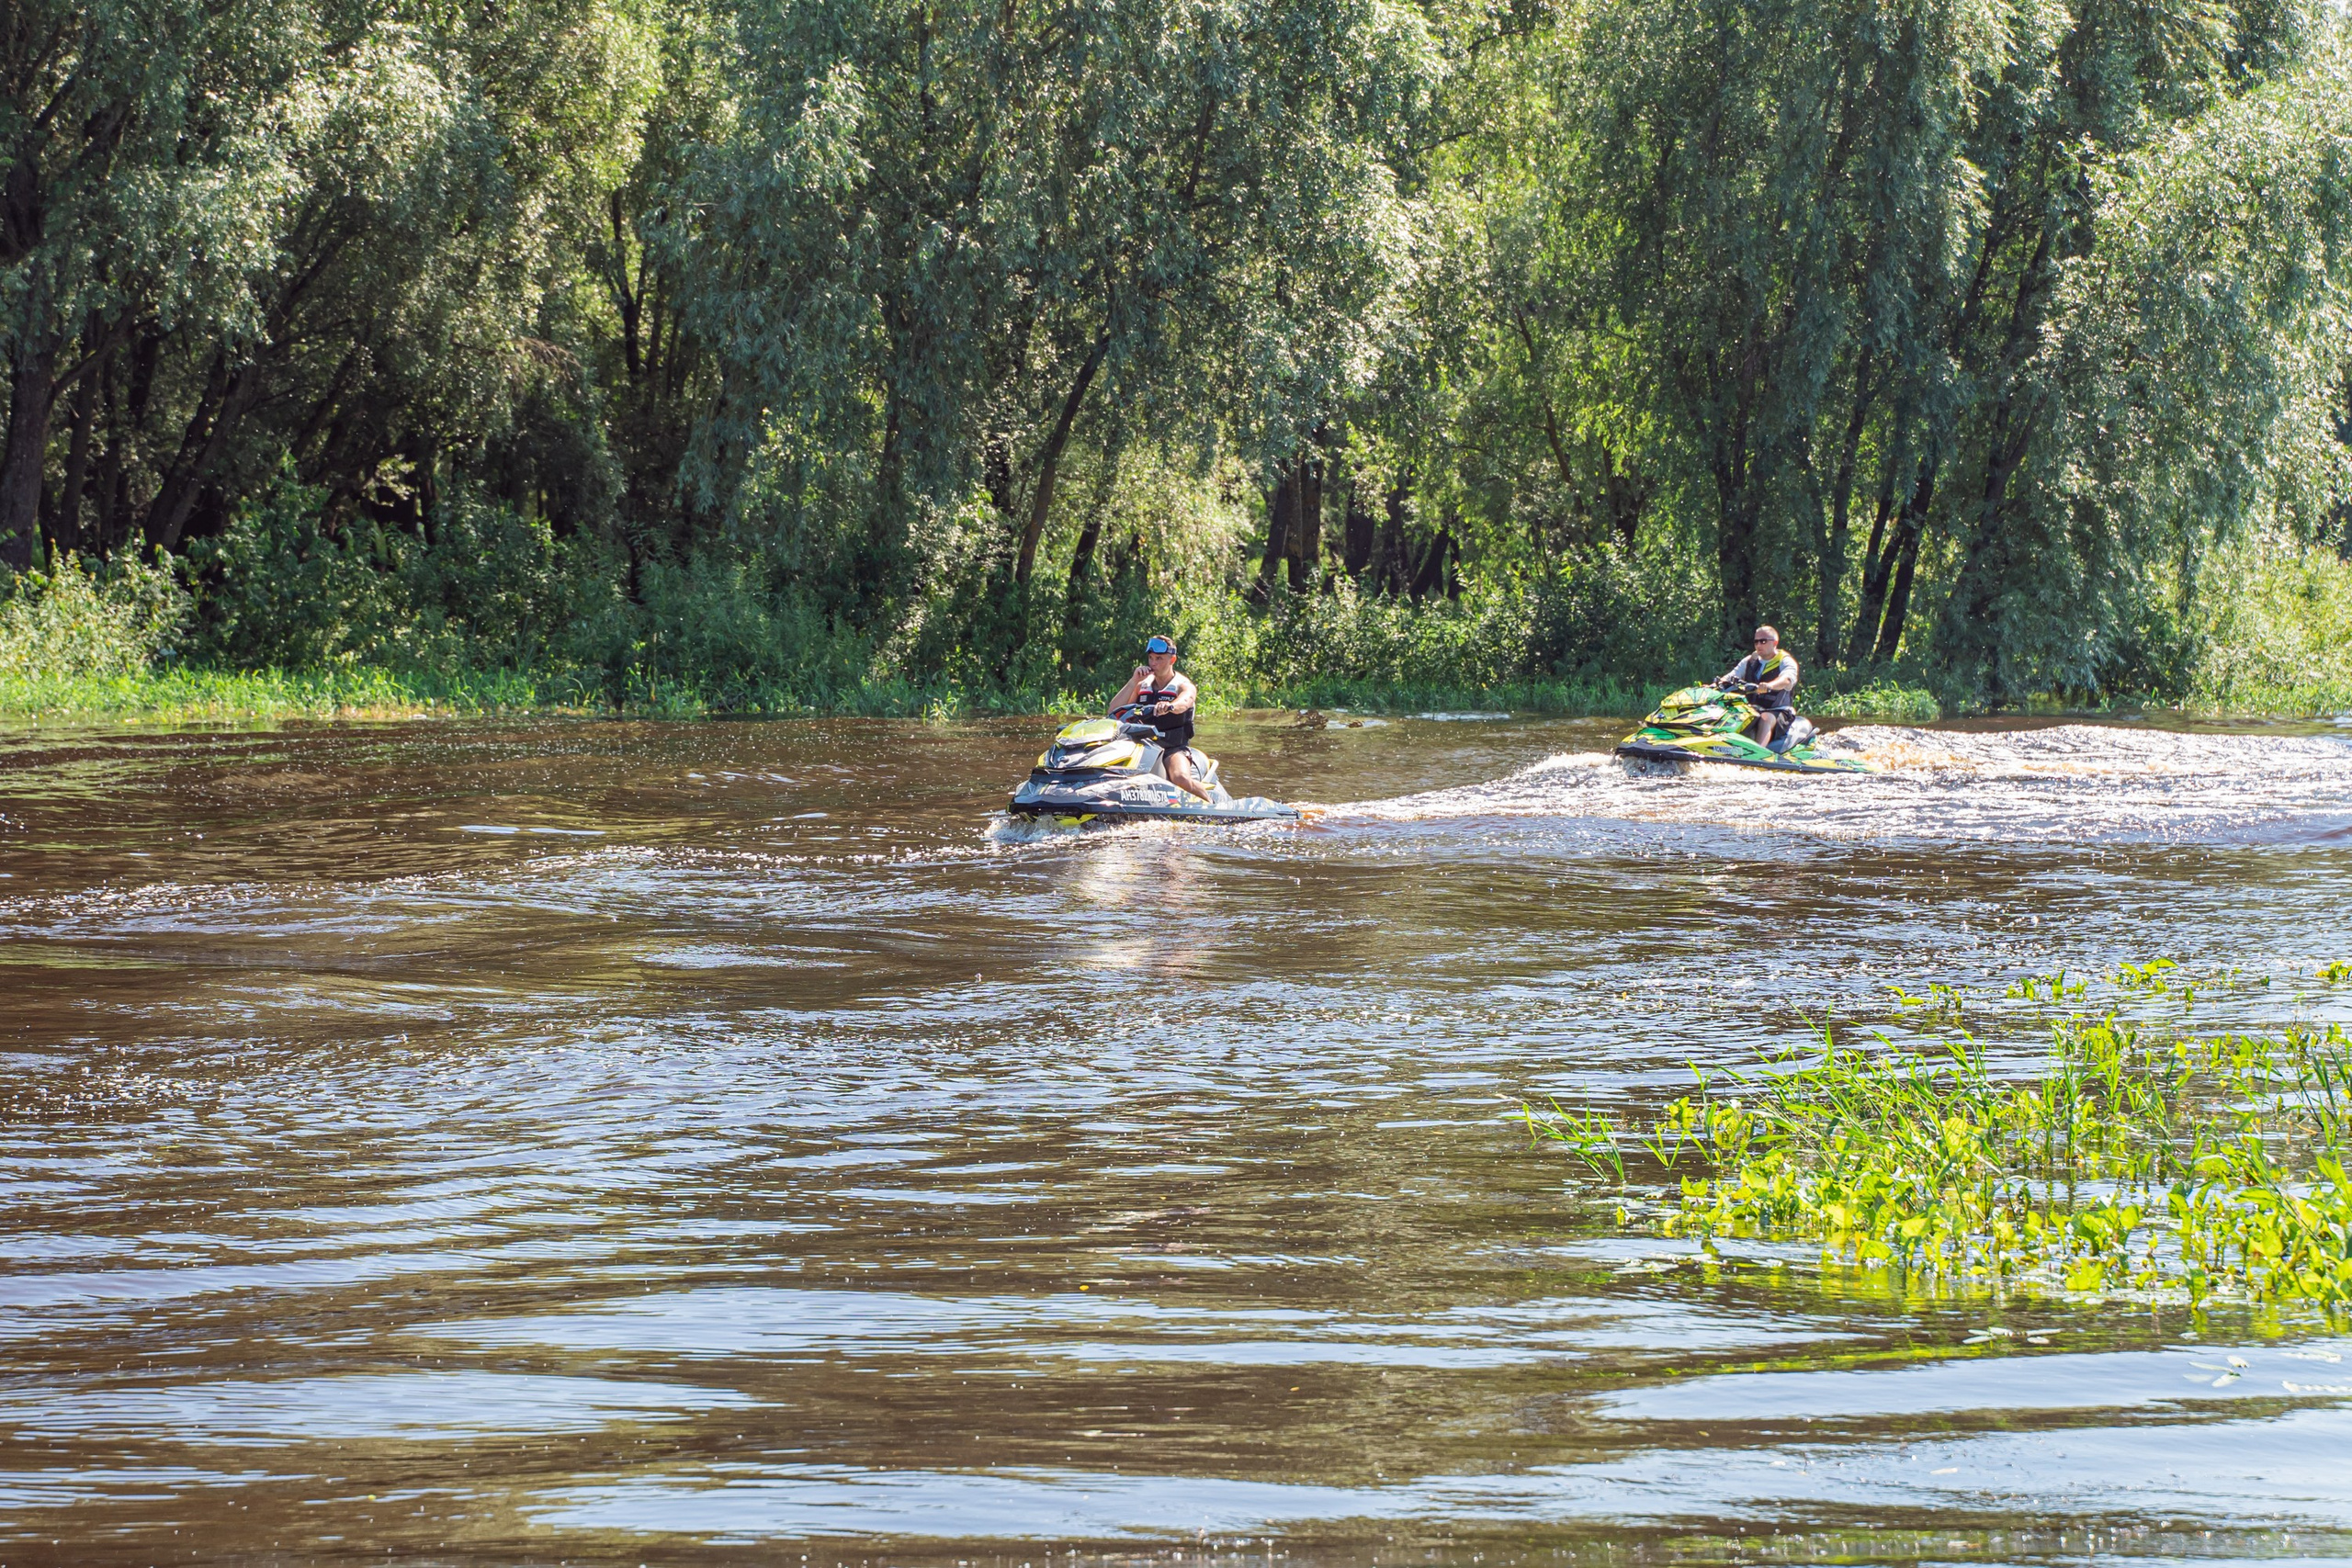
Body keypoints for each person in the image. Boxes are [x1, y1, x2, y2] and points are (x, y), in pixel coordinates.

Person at [1110, 634, 1212, 802]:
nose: (1153, 663)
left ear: (1172, 660)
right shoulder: (1141, 685)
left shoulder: (1183, 685)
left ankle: (1210, 806)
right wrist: (1133, 681)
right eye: (1150, 658)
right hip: (1142, 746)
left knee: (1180, 779)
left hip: (1172, 748)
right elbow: (1113, 712)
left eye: (1159, 658)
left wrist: (1170, 706)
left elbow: (1186, 701)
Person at [1717, 625, 1800, 750]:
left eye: (1763, 641)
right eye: (1756, 641)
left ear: (1775, 643)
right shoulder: (1750, 660)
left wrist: (1770, 685)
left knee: (1765, 718)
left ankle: (1757, 755)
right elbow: (1731, 676)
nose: (1758, 645)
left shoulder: (1785, 661)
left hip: (1779, 711)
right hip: (1753, 709)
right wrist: (1715, 685)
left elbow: (1787, 679)